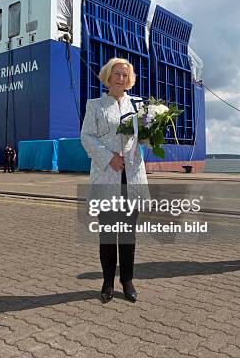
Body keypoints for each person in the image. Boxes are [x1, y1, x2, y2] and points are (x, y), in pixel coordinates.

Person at [81, 57, 148, 303]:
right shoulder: (95, 105)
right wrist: (109, 158)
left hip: (132, 177)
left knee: (128, 233)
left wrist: (152, 136)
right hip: (107, 175)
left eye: (125, 75)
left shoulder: (138, 106)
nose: (121, 78)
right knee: (108, 233)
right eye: (117, 74)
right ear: (108, 76)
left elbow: (143, 139)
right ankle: (108, 281)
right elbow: (86, 137)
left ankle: (127, 280)